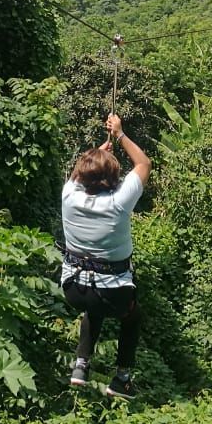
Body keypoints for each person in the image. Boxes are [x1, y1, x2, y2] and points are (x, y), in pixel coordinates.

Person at [60, 112, 151, 399]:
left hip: (73, 288)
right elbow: (143, 163)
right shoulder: (118, 203)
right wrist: (120, 134)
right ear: (113, 178)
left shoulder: (68, 195)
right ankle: (121, 379)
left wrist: (97, 153)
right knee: (132, 316)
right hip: (113, 294)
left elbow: (77, 172)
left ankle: (81, 365)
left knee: (93, 303)